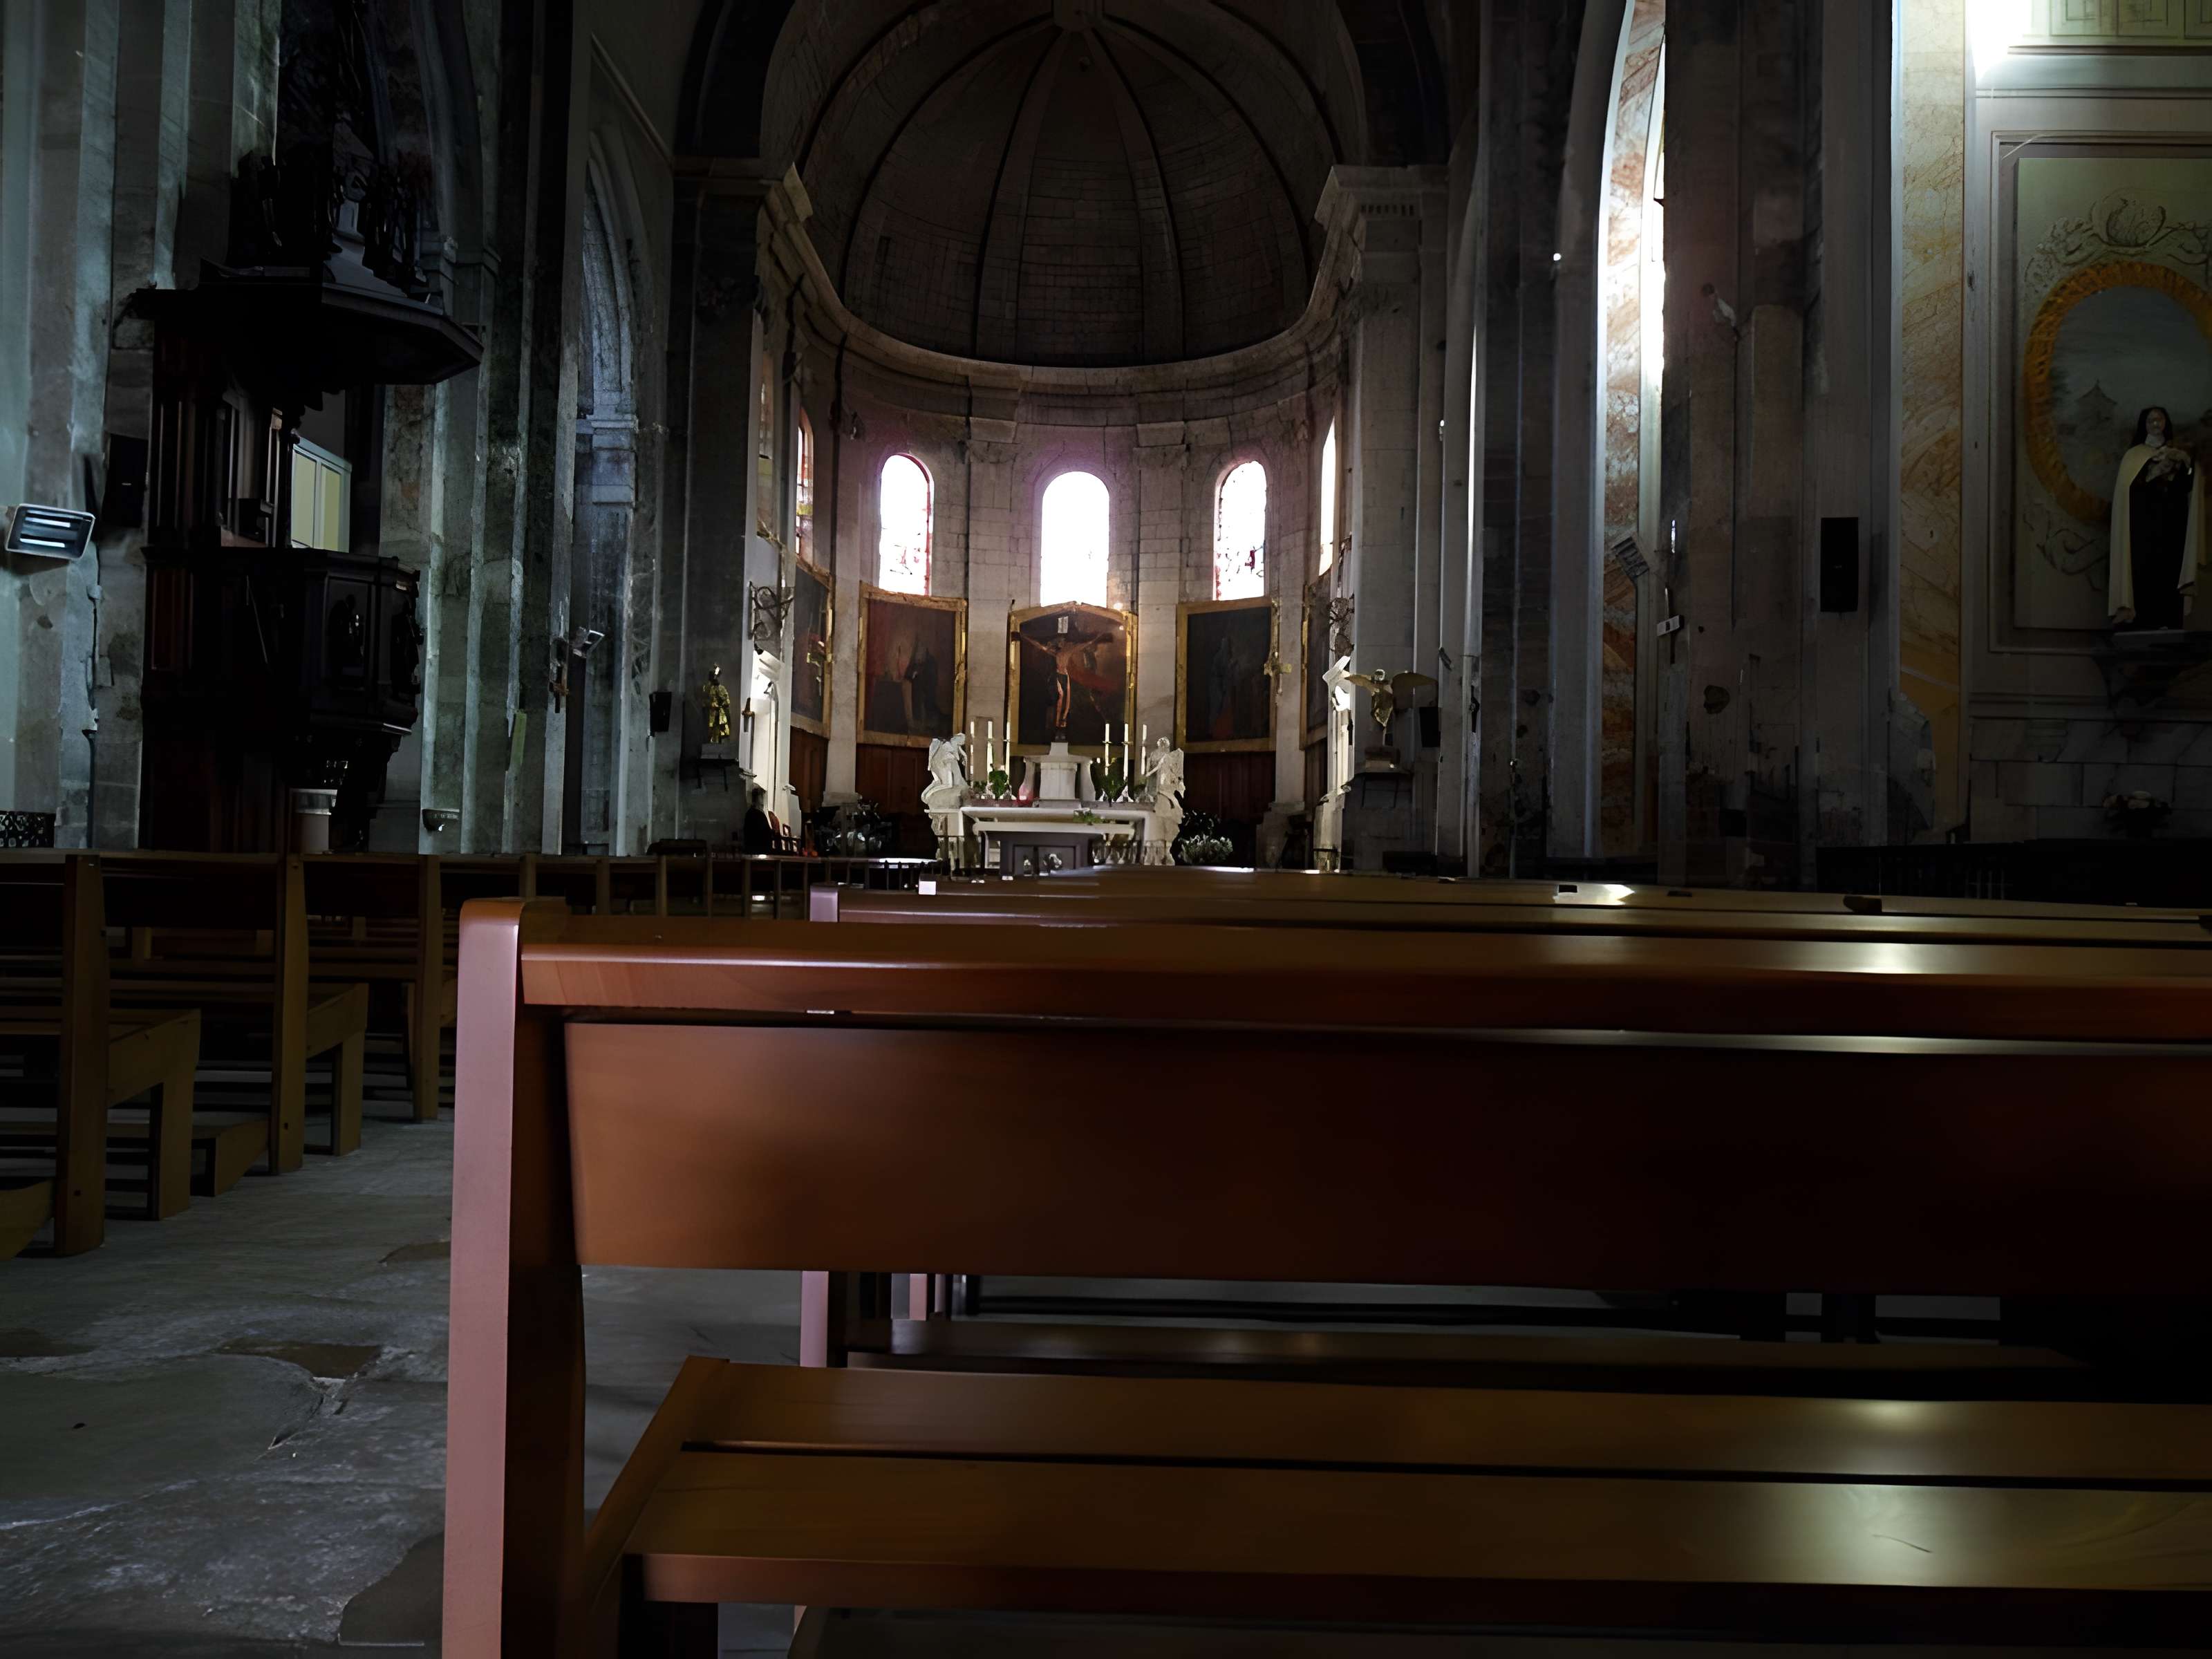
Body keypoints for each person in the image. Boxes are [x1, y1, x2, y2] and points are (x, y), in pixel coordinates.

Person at [741, 785, 776, 854]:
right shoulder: (758, 814)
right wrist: (773, 832)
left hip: (753, 849)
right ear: (757, 799)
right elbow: (763, 833)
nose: (763, 802)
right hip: (760, 850)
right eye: (762, 798)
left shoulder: (750, 813)